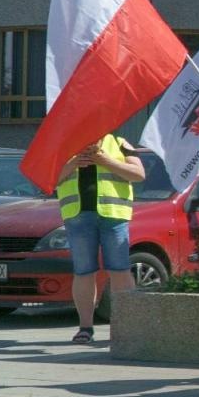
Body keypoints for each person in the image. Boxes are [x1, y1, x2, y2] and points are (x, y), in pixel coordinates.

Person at [57, 133, 147, 344]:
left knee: (119, 269)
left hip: (114, 215)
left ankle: (124, 328)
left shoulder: (119, 142)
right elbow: (48, 179)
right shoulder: (65, 143)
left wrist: (105, 160)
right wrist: (74, 162)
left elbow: (138, 174)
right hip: (77, 215)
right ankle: (85, 328)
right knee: (83, 271)